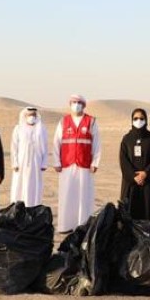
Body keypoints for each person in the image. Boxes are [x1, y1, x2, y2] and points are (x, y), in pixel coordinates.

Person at [52, 94, 100, 233]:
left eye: (79, 102)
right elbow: (56, 142)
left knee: (83, 195)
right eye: (73, 102)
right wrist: (56, 161)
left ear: (83, 105)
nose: (76, 105)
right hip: (67, 165)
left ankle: (82, 225)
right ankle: (65, 226)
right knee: (67, 195)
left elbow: (97, 143)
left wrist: (95, 162)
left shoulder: (91, 121)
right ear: (70, 104)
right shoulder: (64, 121)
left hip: (84, 165)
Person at [119, 108, 150, 220]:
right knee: (128, 212)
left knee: (147, 210)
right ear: (131, 120)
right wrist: (133, 176)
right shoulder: (126, 139)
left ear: (146, 120)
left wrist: (145, 173)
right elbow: (123, 160)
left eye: (142, 118)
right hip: (131, 182)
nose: (139, 121)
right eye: (136, 118)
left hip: (147, 182)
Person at [10, 106, 47, 206]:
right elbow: (14, 147)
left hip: (36, 163)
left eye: (34, 115)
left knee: (34, 185)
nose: (32, 117)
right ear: (25, 116)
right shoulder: (18, 128)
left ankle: (33, 207)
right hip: (21, 163)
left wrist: (44, 163)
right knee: (20, 185)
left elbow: (45, 146)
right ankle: (18, 207)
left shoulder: (41, 129)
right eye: (29, 115)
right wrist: (15, 163)